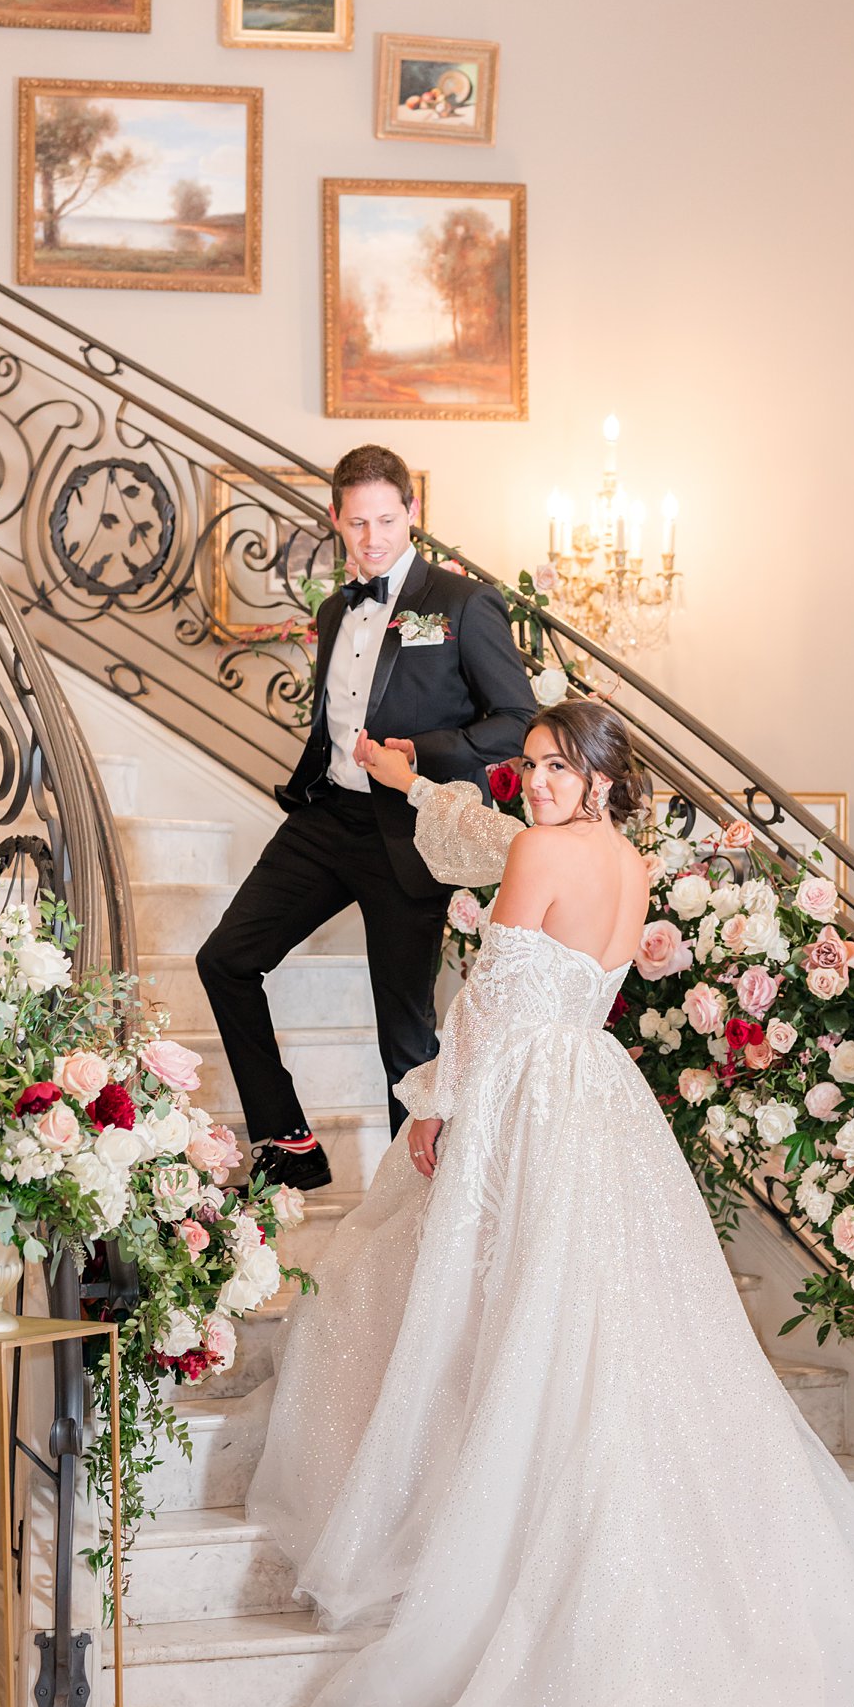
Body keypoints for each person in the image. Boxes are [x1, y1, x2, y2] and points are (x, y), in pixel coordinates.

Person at [247, 698, 854, 1707]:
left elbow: (493, 1003)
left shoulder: (545, 852)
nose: (534, 785)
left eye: (553, 769)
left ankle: (487, 1537)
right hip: (595, 1092)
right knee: (582, 1323)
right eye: (531, 768)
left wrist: (441, 1105)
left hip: (525, 1095)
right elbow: (585, 995)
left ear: (598, 778)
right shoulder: (632, 865)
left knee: (494, 1309)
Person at [195, 444, 534, 1193]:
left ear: (412, 513)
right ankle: (288, 1140)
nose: (373, 536)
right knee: (223, 959)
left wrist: (422, 751)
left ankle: (412, 1219)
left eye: (387, 519)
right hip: (326, 818)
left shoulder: (462, 604)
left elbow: (518, 718)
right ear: (336, 519)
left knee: (405, 1041)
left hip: (409, 832)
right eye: (358, 522)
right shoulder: (333, 608)